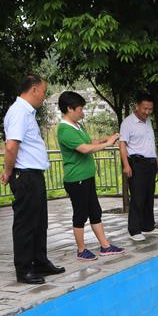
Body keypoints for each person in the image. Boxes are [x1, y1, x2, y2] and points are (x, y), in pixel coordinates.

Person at [0, 74, 65, 285]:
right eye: (44, 91)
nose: (44, 96)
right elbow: (11, 146)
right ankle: (24, 269)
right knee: (26, 224)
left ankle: (40, 261)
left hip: (34, 174)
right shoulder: (19, 112)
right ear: (34, 90)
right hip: (25, 175)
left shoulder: (27, 113)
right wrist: (8, 171)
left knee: (39, 222)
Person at [56, 91, 126, 261]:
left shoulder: (78, 126)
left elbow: (90, 142)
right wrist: (108, 144)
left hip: (87, 177)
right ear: (70, 109)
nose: (82, 112)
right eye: (80, 109)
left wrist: (105, 139)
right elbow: (85, 149)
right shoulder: (64, 130)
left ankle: (105, 246)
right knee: (80, 215)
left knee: (95, 211)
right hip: (76, 179)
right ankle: (81, 250)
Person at [119, 92, 158, 242]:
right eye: (145, 108)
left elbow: (151, 144)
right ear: (137, 106)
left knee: (149, 196)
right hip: (136, 163)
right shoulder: (128, 123)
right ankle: (134, 230)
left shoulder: (148, 121)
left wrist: (157, 162)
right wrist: (126, 165)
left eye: (150, 109)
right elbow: (122, 145)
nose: (147, 112)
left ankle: (148, 226)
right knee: (137, 197)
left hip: (150, 163)